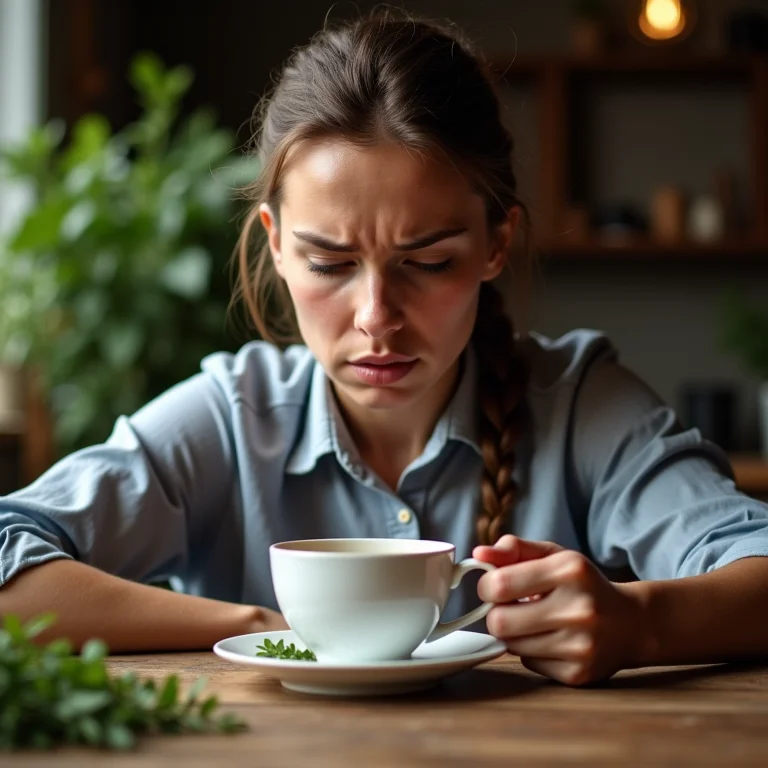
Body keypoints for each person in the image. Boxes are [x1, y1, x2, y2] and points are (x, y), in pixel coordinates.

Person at [1, 10, 768, 687]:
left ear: (497, 242)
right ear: (275, 245)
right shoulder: (230, 419)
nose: (375, 317)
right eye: (330, 264)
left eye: (428, 262)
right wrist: (255, 627)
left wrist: (644, 624)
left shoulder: (579, 406)